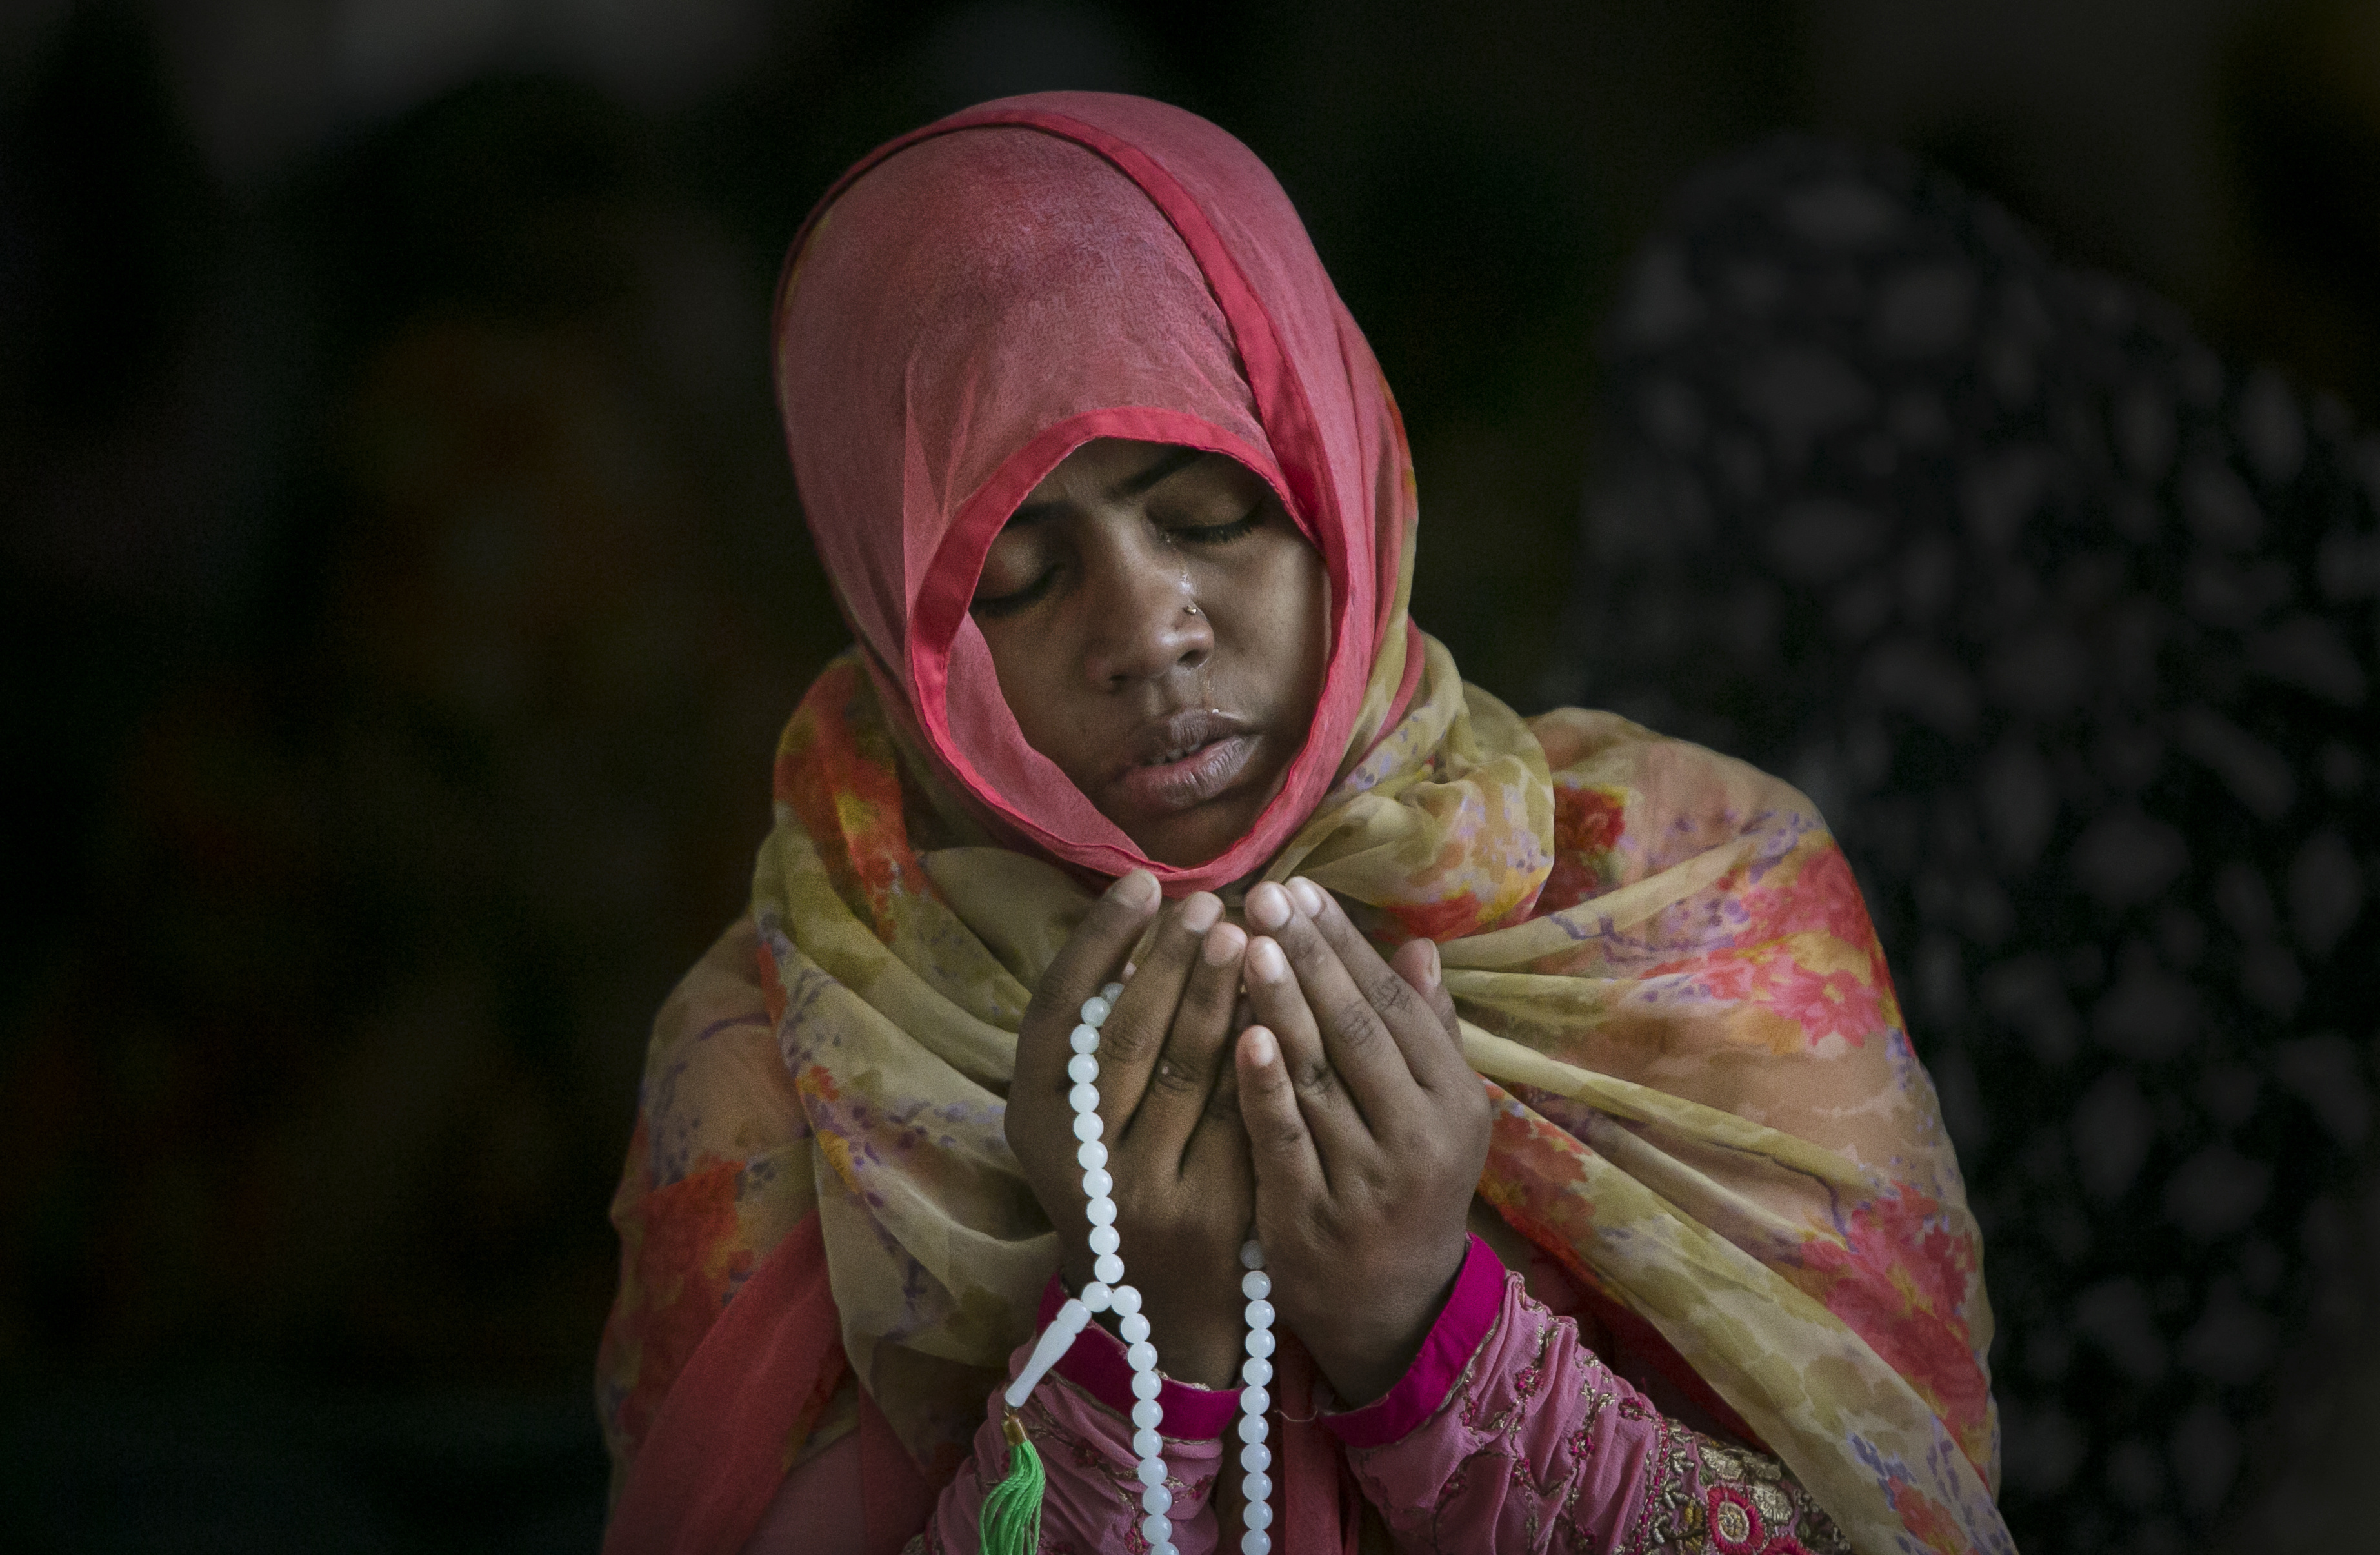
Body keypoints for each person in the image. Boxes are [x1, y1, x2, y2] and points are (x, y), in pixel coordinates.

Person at [595, 94, 2008, 1554]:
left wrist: (1425, 1325)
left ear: (1340, 476)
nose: (1148, 633)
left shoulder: (1686, 895)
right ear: (897, 627)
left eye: (1209, 512)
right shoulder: (786, 1062)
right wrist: (1132, 1350)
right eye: (1014, 572)